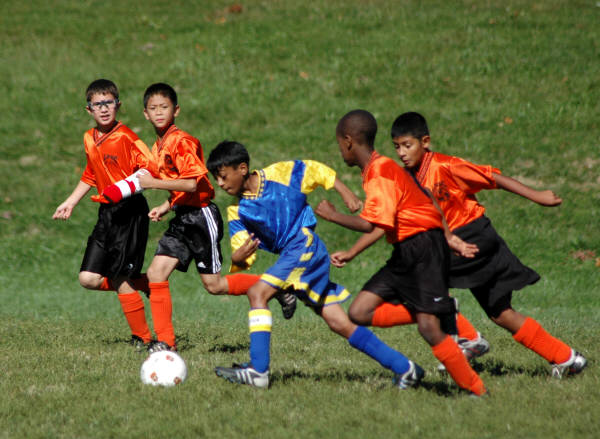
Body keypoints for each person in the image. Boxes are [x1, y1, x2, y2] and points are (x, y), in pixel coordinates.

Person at [206, 140, 426, 390]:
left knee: (258, 293)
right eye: (217, 179)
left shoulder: (279, 174)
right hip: (296, 254)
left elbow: (315, 170)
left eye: (223, 176)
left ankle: (258, 370)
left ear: (242, 168)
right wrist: (238, 258)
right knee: (339, 322)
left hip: (304, 245)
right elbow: (242, 252)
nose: (220, 184)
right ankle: (405, 368)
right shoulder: (237, 211)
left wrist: (345, 192)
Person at [388, 111, 586, 378]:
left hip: (472, 236)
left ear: (425, 142)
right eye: (397, 147)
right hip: (467, 242)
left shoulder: (446, 166)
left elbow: (493, 177)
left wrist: (536, 195)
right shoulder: (406, 177)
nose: (401, 152)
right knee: (500, 313)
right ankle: (567, 358)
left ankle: (469, 340)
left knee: (421, 279)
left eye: (407, 145)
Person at [104, 83, 296, 352]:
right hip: (182, 217)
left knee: (214, 285)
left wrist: (153, 184)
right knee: (157, 273)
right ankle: (166, 343)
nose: (159, 112)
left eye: (164, 107)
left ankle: (278, 287)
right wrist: (167, 205)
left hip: (201, 218)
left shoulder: (181, 142)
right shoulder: (158, 146)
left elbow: (193, 184)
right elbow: (178, 185)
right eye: (153, 108)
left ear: (176, 110)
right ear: (145, 114)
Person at [316, 110, 487, 396]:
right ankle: (442, 309)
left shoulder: (380, 171)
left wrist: (332, 216)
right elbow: (386, 222)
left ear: (348, 141)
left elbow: (370, 223)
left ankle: (477, 390)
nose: (340, 150)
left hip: (423, 247)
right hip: (406, 250)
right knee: (359, 311)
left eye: (339, 144)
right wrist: (353, 252)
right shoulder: (378, 169)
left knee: (429, 328)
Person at [52, 79, 154, 348]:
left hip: (130, 212)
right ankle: (144, 283)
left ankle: (143, 339)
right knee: (88, 278)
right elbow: (91, 173)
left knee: (119, 277)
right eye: (98, 104)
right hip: (106, 214)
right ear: (89, 109)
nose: (104, 108)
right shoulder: (89, 138)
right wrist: (71, 202)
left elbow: (149, 170)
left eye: (109, 102)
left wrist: (123, 188)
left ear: (118, 105)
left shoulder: (127, 138)